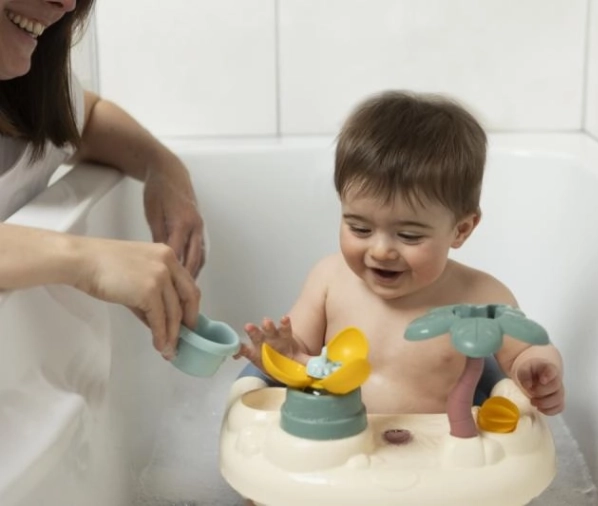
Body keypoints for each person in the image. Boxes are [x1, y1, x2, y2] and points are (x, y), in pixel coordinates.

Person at [236, 90, 565, 417]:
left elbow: (527, 349)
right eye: (359, 228)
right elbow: (300, 352)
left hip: (437, 445)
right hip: (338, 435)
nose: (381, 251)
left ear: (461, 230)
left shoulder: (480, 298)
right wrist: (282, 353)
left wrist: (536, 369)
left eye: (409, 235)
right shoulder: (329, 279)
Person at [0, 0, 203, 359]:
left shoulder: (23, 90)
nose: (67, 3)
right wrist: (85, 260)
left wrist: (164, 168)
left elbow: (86, 117)